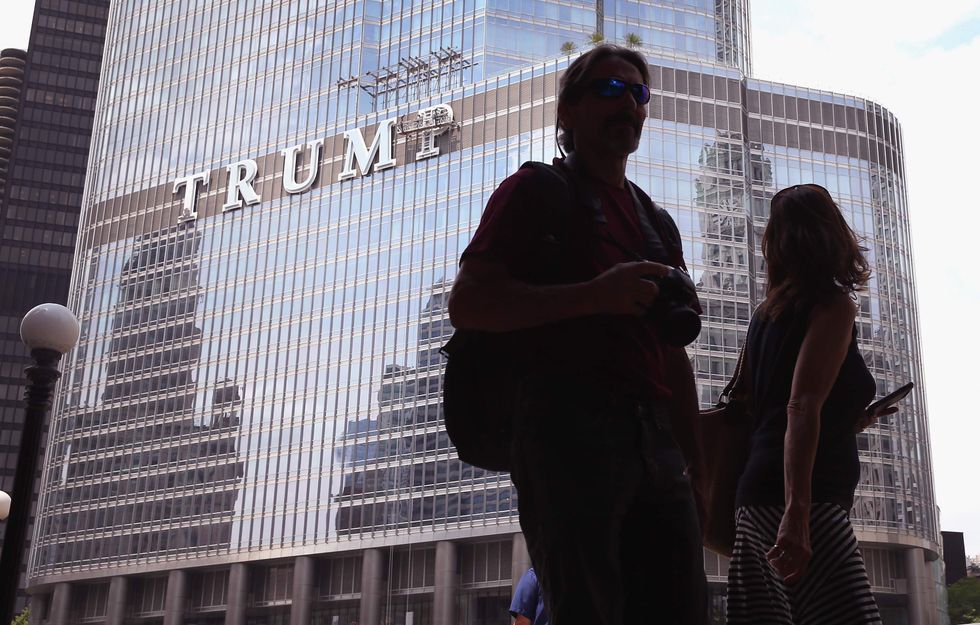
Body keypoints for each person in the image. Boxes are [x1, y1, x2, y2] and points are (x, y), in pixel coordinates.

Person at [448, 44, 708, 625]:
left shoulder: (656, 223)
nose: (630, 105)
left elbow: (672, 358)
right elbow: (468, 303)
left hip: (655, 444)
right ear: (566, 112)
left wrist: (697, 469)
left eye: (639, 94)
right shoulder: (537, 191)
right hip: (568, 434)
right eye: (611, 90)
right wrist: (594, 296)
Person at [726, 184, 894, 624]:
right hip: (806, 502)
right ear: (831, 233)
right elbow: (799, 407)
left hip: (754, 499)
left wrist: (853, 421)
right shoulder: (834, 306)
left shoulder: (767, 315)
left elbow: (772, 410)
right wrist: (796, 513)